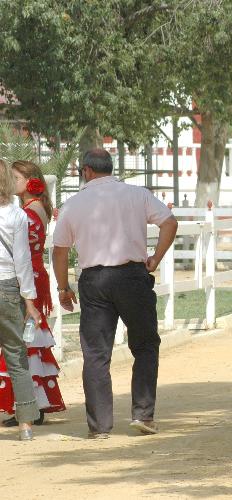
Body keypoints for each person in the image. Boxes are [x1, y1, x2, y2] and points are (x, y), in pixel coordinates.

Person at [52, 149, 178, 439]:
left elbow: (60, 250)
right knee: (145, 345)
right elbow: (169, 222)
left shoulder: (73, 204)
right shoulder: (137, 194)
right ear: (110, 168)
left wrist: (62, 287)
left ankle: (99, 427)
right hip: (132, 275)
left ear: (86, 171)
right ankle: (143, 414)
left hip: (94, 281)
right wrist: (156, 258)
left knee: (96, 354)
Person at [0, 161, 66, 427]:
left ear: (30, 181)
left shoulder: (27, 211)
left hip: (24, 277)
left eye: (18, 177)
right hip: (31, 275)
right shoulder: (33, 208)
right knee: (28, 342)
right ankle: (33, 405)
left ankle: (29, 407)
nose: (13, 180)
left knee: (24, 343)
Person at [0, 159, 43, 440]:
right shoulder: (16, 215)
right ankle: (26, 424)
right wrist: (30, 300)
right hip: (7, 287)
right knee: (16, 357)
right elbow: (23, 261)